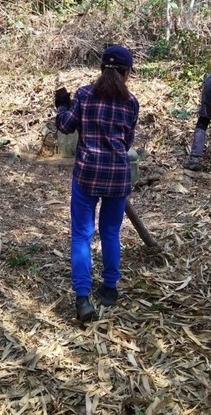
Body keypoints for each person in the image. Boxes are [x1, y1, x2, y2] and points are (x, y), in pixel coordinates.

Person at [55, 45, 140, 322]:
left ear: (101, 68)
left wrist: (62, 105)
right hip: (117, 175)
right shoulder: (131, 103)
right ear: (127, 73)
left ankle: (82, 297)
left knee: (82, 235)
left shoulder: (84, 94)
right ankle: (110, 289)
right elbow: (127, 142)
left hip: (87, 174)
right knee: (110, 233)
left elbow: (66, 126)